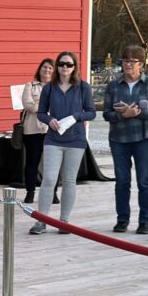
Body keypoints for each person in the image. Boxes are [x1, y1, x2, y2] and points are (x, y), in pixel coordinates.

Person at [28, 52, 96, 235]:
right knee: (49, 178)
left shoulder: (83, 87)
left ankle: (64, 221)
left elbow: (91, 112)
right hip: (53, 138)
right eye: (62, 64)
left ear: (74, 67)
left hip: (76, 139)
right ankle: (41, 220)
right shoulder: (49, 88)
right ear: (57, 66)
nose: (65, 67)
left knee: (69, 180)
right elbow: (41, 112)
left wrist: (76, 116)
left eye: (69, 64)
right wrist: (49, 120)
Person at [103, 45, 148, 234]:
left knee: (144, 181)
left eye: (132, 61)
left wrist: (136, 113)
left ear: (141, 64)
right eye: (125, 60)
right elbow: (106, 114)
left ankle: (145, 221)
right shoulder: (113, 86)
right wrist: (124, 115)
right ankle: (122, 220)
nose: (128, 64)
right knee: (122, 181)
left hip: (144, 139)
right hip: (119, 140)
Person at [20, 58, 54, 204]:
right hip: (32, 129)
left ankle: (53, 193)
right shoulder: (30, 85)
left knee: (52, 163)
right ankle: (30, 192)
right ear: (39, 69)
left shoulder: (57, 88)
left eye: (50, 68)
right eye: (44, 67)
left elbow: (59, 108)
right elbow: (27, 104)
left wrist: (39, 105)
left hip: (51, 129)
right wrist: (44, 107)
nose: (47, 70)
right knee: (32, 162)